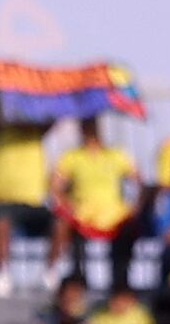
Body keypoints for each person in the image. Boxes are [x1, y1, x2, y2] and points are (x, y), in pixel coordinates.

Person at [54, 116, 141, 294]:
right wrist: (66, 204)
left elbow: (138, 181)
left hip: (113, 213)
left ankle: (120, 282)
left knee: (127, 231)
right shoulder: (72, 156)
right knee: (70, 228)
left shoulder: (116, 154)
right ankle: (79, 279)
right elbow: (55, 186)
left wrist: (135, 206)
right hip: (82, 213)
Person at [0, 91, 51, 295]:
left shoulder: (36, 134)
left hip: (34, 202)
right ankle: (2, 274)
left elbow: (53, 115)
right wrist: (3, 90)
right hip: (4, 200)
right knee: (0, 221)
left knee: (61, 222)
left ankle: (50, 275)